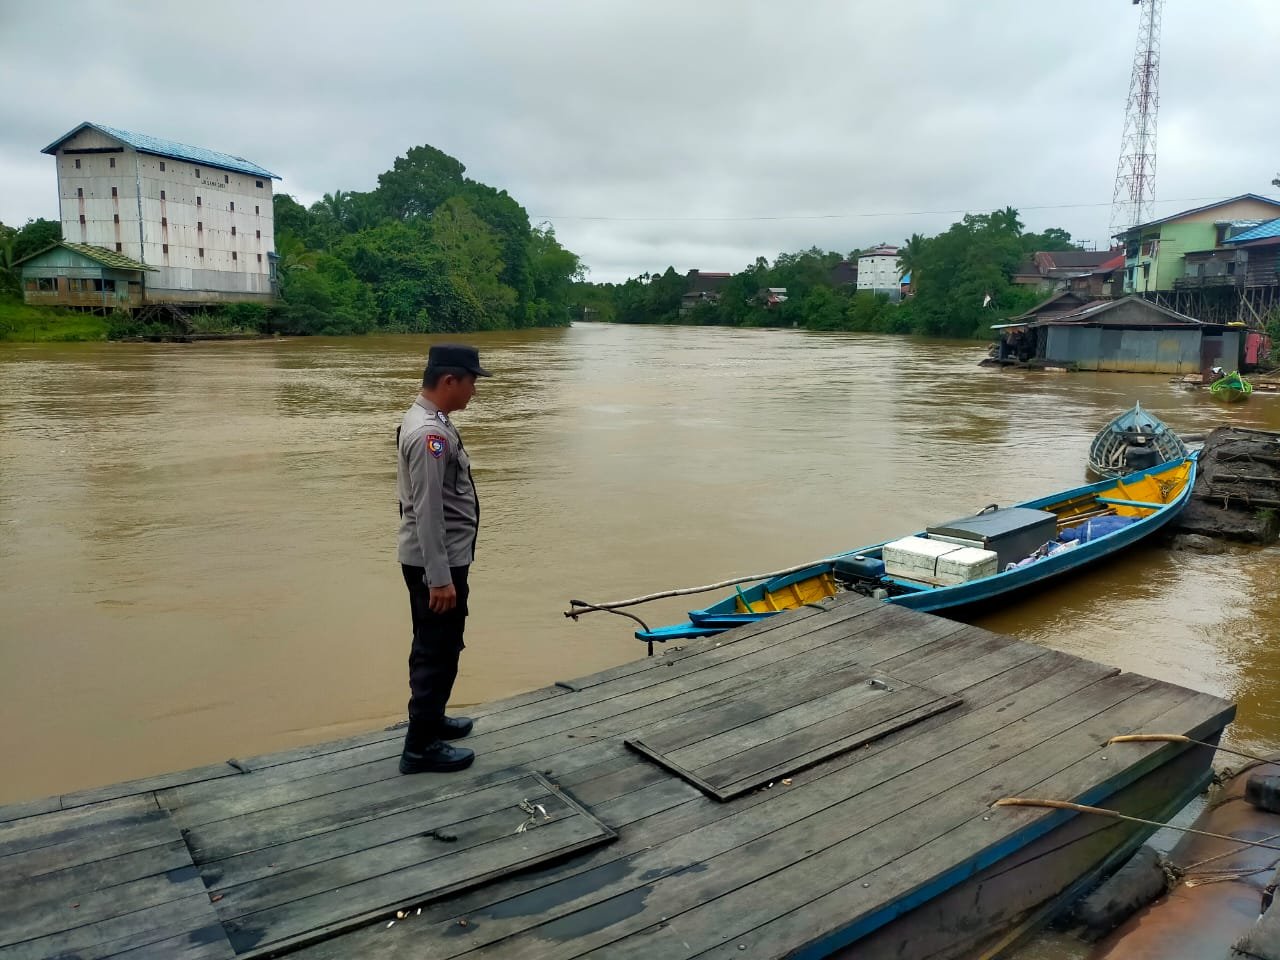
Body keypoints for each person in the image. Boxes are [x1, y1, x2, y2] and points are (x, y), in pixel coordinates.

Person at [396, 343, 491, 774]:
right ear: (450, 380)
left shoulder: (432, 422)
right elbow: (428, 511)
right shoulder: (428, 435)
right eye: (472, 382)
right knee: (436, 650)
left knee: (444, 643)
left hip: (443, 560)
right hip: (437, 565)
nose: (474, 391)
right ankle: (420, 747)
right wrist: (439, 578)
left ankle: (431, 721)